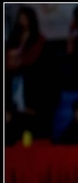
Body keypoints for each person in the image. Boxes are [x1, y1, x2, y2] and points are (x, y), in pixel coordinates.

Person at [5, 5, 52, 140]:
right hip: (12, 114)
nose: (22, 21)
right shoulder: (7, 77)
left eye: (25, 18)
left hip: (31, 111)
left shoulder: (38, 42)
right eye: (21, 18)